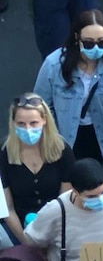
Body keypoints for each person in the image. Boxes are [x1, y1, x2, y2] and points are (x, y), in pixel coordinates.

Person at [34, 10, 103, 165]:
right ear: (77, 38)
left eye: (102, 42)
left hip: (98, 134)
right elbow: (41, 105)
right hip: (63, 134)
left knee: (92, 178)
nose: (96, 48)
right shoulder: (54, 65)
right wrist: (51, 137)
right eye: (89, 43)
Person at [0, 94, 74, 245]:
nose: (27, 129)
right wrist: (27, 243)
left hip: (56, 223)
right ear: (13, 124)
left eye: (34, 123)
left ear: (44, 120)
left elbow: (65, 201)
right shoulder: (4, 152)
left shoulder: (61, 150)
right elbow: (8, 208)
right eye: (21, 124)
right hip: (17, 226)